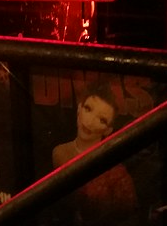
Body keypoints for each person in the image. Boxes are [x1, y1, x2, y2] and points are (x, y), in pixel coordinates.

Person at [50, 83, 139, 226]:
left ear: (108, 130)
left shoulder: (115, 171)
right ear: (79, 109)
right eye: (88, 109)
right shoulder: (59, 152)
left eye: (101, 120)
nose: (90, 122)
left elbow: (127, 213)